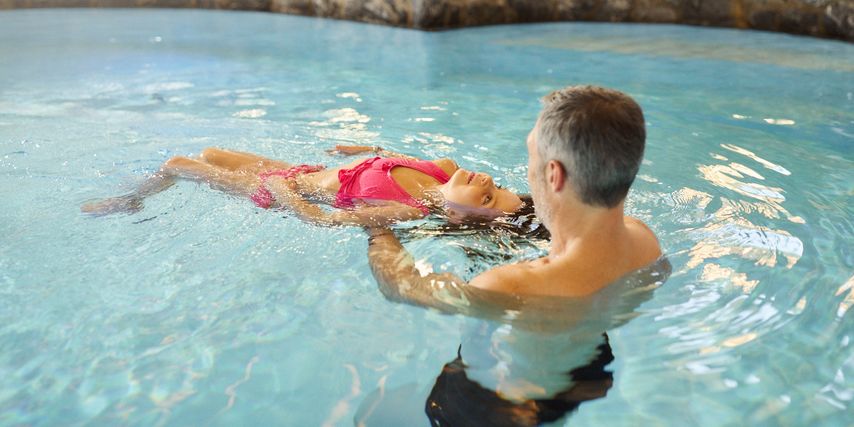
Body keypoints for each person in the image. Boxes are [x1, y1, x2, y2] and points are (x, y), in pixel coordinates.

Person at [366, 84, 663, 303]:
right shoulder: (645, 241)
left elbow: (401, 286)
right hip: (594, 374)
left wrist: (376, 227)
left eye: (531, 155)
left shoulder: (508, 286)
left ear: (553, 175)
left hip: (505, 385)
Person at [81, 145, 524, 227]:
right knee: (211, 151)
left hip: (285, 188)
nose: (485, 180)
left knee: (177, 164)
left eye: (486, 196)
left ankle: (129, 201)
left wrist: (282, 193)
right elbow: (393, 154)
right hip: (299, 169)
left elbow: (324, 220)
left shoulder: (408, 210)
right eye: (496, 184)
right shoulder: (445, 169)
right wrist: (365, 147)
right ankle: (136, 197)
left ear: (456, 214)